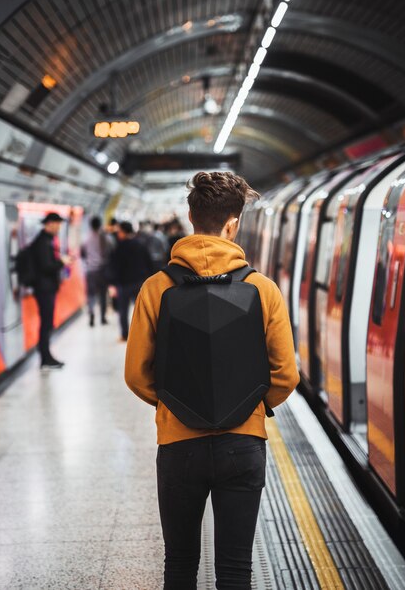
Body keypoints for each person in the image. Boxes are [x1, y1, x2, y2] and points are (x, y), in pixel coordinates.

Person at [125, 171, 300, 589]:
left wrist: (173, 403)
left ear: (190, 216)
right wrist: (253, 405)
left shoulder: (156, 288)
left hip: (178, 445)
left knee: (181, 564)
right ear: (233, 222)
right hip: (243, 444)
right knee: (236, 569)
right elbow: (286, 373)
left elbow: (136, 373)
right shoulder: (263, 289)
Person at [32, 212, 71, 370]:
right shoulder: (42, 242)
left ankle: (46, 356)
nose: (59, 228)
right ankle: (45, 358)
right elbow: (46, 267)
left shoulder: (45, 240)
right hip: (44, 288)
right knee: (46, 323)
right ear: (49, 223)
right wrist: (61, 261)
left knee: (47, 323)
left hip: (46, 288)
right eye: (57, 224)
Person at [109, 221, 153, 341]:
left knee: (123, 311)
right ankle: (146, 335)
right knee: (142, 311)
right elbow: (149, 262)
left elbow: (115, 267)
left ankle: (124, 335)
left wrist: (113, 283)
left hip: (124, 284)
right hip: (140, 282)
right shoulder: (140, 245)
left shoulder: (119, 247)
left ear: (123, 232)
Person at [81, 216, 110, 327]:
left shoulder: (86, 238)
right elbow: (109, 251)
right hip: (102, 270)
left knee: (91, 294)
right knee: (103, 294)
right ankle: (102, 317)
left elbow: (82, 253)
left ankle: (91, 313)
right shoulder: (104, 238)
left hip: (90, 270)